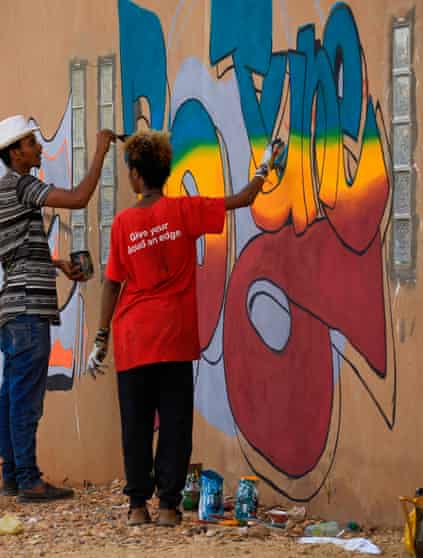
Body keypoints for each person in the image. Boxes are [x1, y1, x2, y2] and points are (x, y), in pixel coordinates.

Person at [87, 130, 284, 526]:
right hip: (174, 338)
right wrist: (264, 166)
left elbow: (112, 282)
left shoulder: (124, 223)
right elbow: (242, 199)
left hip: (133, 339)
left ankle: (137, 506)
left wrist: (100, 338)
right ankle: (167, 507)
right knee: (175, 422)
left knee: (136, 425)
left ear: (137, 175)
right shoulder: (184, 211)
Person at [0, 114, 115, 502]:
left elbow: (18, 253)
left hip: (15, 307)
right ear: (15, 153)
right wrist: (100, 151)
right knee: (25, 397)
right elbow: (78, 198)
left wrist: (56, 264)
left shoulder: (3, 190)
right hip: (28, 310)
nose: (38, 148)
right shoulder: (22, 185)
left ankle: (13, 474)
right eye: (31, 144)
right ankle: (28, 479)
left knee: (12, 393)